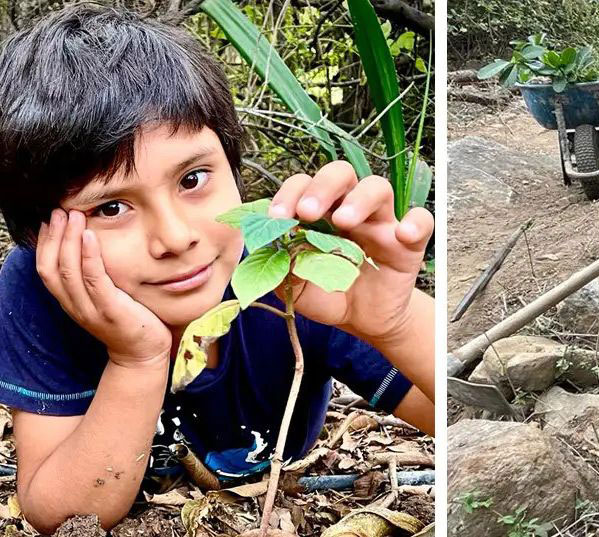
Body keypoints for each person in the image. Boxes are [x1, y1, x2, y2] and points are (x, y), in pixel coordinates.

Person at [0, 6, 436, 532]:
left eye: (192, 179)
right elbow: (60, 516)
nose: (176, 237)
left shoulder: (295, 267)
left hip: (279, 474)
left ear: (233, 166)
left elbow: (453, 420)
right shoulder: (39, 287)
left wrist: (394, 321)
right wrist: (136, 360)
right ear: (39, 237)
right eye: (110, 208)